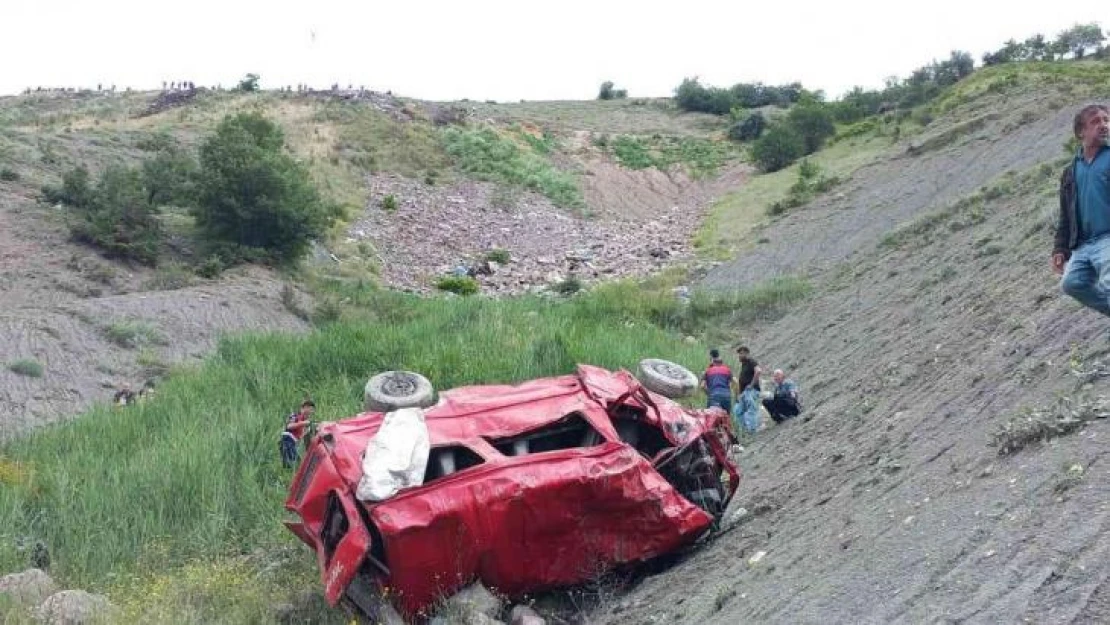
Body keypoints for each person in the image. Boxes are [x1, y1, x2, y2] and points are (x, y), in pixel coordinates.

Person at [1054, 104, 1110, 316]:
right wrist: (1060, 249)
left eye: (1106, 120)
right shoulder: (1070, 171)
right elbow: (1065, 215)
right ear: (1080, 132)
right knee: (1071, 283)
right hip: (1083, 245)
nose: (1103, 125)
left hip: (1108, 238)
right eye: (1096, 121)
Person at [732, 346, 762, 434]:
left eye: (741, 354)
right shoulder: (744, 364)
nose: (739, 356)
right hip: (744, 393)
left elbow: (758, 371)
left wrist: (751, 385)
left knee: (751, 408)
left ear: (746, 353)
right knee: (737, 411)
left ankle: (752, 430)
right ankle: (746, 430)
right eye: (739, 354)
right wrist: (739, 394)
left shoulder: (751, 361)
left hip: (750, 391)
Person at [281, 400, 315, 468]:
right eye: (307, 410)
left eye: (310, 412)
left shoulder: (304, 421)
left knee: (294, 464)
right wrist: (303, 423)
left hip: (293, 443)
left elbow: (304, 438)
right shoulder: (295, 415)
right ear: (302, 408)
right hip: (287, 441)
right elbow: (289, 426)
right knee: (296, 463)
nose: (308, 415)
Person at [700, 349, 736, 413]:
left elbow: (702, 386)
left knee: (712, 418)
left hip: (714, 396)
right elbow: (735, 381)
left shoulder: (708, 370)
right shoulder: (727, 370)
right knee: (726, 418)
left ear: (713, 362)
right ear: (722, 362)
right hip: (726, 396)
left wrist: (708, 393)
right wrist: (730, 390)